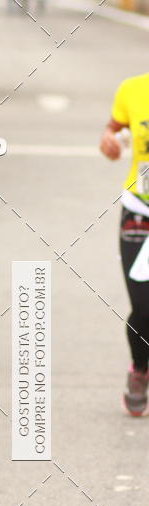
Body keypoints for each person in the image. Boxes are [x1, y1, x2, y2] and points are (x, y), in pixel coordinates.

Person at [101, 75, 149, 415]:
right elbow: (112, 131)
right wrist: (109, 142)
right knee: (144, 307)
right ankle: (140, 370)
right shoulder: (132, 89)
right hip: (140, 210)